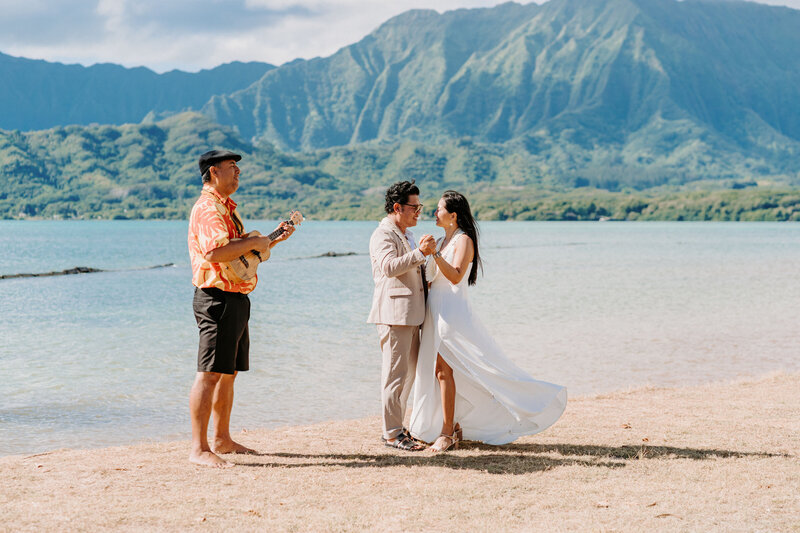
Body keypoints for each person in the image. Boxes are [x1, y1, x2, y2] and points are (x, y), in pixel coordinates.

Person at [409, 190, 567, 452]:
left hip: (452, 312)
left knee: (450, 370)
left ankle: (448, 432)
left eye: (439, 209)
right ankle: (451, 426)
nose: (434, 213)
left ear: (453, 215)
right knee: (438, 371)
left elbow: (456, 277)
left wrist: (435, 255)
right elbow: (429, 281)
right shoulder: (440, 240)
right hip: (433, 310)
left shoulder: (464, 241)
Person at [187, 149, 295, 468]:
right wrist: (255, 242)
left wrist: (270, 241)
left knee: (228, 373)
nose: (238, 172)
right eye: (231, 167)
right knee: (209, 374)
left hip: (234, 297)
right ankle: (199, 448)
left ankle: (221, 438)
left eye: (238, 168)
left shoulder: (225, 207)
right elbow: (216, 252)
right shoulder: (208, 207)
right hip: (216, 298)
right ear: (213, 172)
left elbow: (239, 258)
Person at [368, 180, 436, 451]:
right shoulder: (382, 234)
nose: (419, 211)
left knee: (408, 374)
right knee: (395, 375)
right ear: (397, 207)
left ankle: (397, 426)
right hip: (394, 314)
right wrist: (421, 253)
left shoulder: (405, 233)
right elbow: (388, 267)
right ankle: (392, 433)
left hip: (412, 313)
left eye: (420, 207)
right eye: (414, 207)